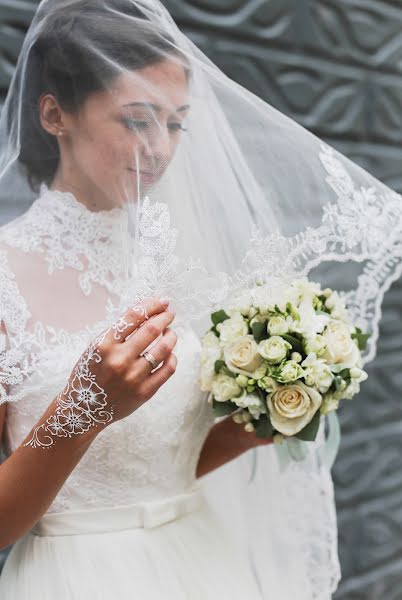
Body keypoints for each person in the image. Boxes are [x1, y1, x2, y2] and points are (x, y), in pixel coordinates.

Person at [0, 1, 400, 598]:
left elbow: (153, 468)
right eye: (137, 121)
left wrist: (251, 425)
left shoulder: (171, 256)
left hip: (202, 560)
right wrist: (83, 408)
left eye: (177, 122)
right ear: (56, 114)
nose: (160, 148)